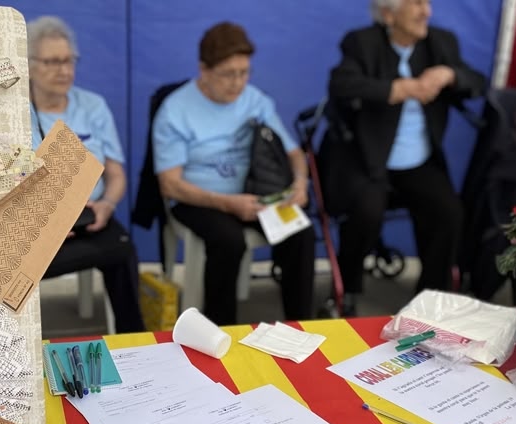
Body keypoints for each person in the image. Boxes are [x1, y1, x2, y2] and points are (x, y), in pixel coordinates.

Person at [324, 0, 485, 313]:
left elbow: (477, 83)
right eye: (415, 4)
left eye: (427, 3)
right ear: (388, 14)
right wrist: (397, 89)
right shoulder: (361, 42)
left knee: (448, 213)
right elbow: (341, 85)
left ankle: (431, 296)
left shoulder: (440, 42)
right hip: (370, 160)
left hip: (419, 161)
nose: (427, 11)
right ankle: (349, 290)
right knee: (366, 212)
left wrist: (450, 75)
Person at [152, 22, 315, 325]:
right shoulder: (175, 110)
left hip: (255, 194)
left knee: (301, 233)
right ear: (204, 69)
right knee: (228, 241)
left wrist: (300, 184)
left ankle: (299, 326)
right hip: (198, 199)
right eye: (228, 74)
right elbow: (170, 185)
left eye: (244, 72)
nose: (238, 83)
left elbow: (293, 153)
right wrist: (227, 203)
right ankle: (220, 328)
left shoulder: (255, 100)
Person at [27, 16, 145, 333]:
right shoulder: (15, 111)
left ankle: (133, 340)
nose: (64, 70)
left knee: (123, 250)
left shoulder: (93, 106)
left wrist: (107, 204)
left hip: (89, 214)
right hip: (39, 222)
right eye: (52, 62)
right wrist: (42, 219)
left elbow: (116, 174)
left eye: (69, 61)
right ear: (28, 65)